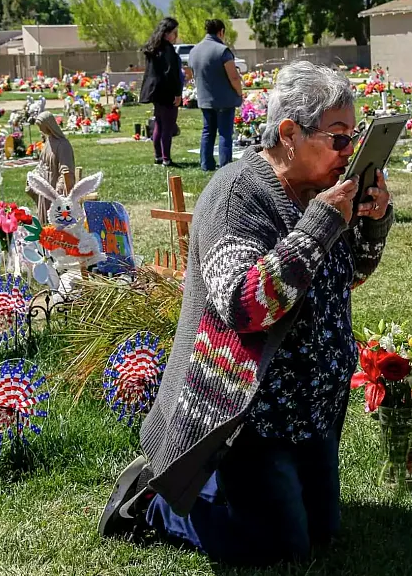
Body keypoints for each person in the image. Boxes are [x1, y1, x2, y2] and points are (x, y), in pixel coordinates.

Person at [99, 62, 393, 567]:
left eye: (356, 139)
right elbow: (244, 305)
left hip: (314, 409)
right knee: (281, 548)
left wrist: (374, 219)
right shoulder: (237, 194)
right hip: (249, 413)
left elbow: (351, 274)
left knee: (324, 532)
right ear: (289, 134)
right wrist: (323, 222)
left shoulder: (316, 191)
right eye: (340, 139)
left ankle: (254, 495)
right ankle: (153, 504)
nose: (350, 153)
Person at [189, 18, 243, 171]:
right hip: (224, 100)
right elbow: (233, 76)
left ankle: (206, 163)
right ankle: (225, 166)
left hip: (205, 99)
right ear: (221, 32)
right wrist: (239, 93)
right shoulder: (222, 51)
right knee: (225, 133)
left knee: (208, 132)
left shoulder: (194, 51)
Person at [139, 17, 184, 166]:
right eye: (174, 32)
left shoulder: (154, 48)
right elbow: (172, 74)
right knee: (168, 125)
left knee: (159, 123)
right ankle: (166, 158)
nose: (176, 36)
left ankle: (159, 156)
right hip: (167, 91)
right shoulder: (167, 49)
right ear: (166, 33)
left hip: (156, 92)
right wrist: (177, 93)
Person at [26, 111, 76, 225]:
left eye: (42, 127)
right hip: (44, 184)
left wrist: (60, 190)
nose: (40, 131)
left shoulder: (63, 145)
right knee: (44, 219)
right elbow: (42, 163)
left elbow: (66, 171)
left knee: (54, 218)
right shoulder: (48, 141)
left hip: (53, 185)